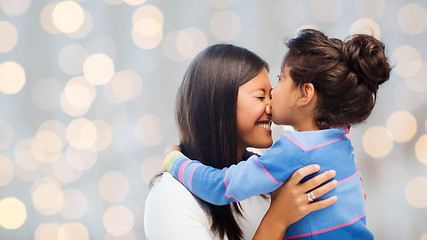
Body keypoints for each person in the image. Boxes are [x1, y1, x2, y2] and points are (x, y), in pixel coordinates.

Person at [162, 29, 392, 239]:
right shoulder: (339, 141)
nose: (271, 101)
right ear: (219, 102)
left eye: (280, 81)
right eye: (260, 96)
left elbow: (222, 186)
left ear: (305, 94)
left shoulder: (295, 148)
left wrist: (175, 161)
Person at [144, 43, 338, 240]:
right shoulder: (169, 196)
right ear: (220, 103)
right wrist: (278, 218)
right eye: (261, 96)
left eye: (270, 96)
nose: (271, 107)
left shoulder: (266, 183)